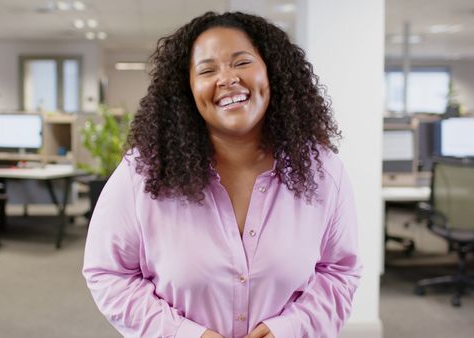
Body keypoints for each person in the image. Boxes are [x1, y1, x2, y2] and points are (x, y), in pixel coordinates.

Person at [83, 11, 361, 338]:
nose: (226, 78)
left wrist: (291, 329)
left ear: (273, 72)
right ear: (187, 89)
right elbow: (108, 273)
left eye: (241, 63)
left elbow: (340, 272)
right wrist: (181, 334)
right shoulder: (142, 172)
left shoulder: (323, 170)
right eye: (207, 70)